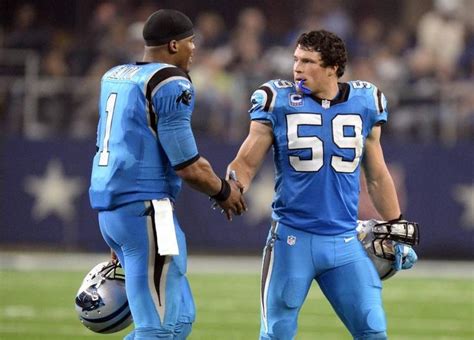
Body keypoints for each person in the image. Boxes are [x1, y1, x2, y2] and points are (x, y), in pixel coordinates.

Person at [227, 30, 417, 339]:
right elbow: (246, 161)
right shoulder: (278, 100)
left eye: (307, 61)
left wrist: (395, 225)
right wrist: (232, 186)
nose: (297, 68)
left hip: (343, 241)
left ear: (332, 67)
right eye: (296, 60)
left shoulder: (365, 102)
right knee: (276, 333)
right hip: (292, 239)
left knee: (373, 330)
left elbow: (377, 174)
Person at [89, 9, 246, 339]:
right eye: (191, 43)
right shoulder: (169, 81)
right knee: (158, 328)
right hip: (145, 209)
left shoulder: (116, 75)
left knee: (179, 320)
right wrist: (223, 191)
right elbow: (188, 165)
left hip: (118, 209)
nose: (194, 50)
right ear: (174, 45)